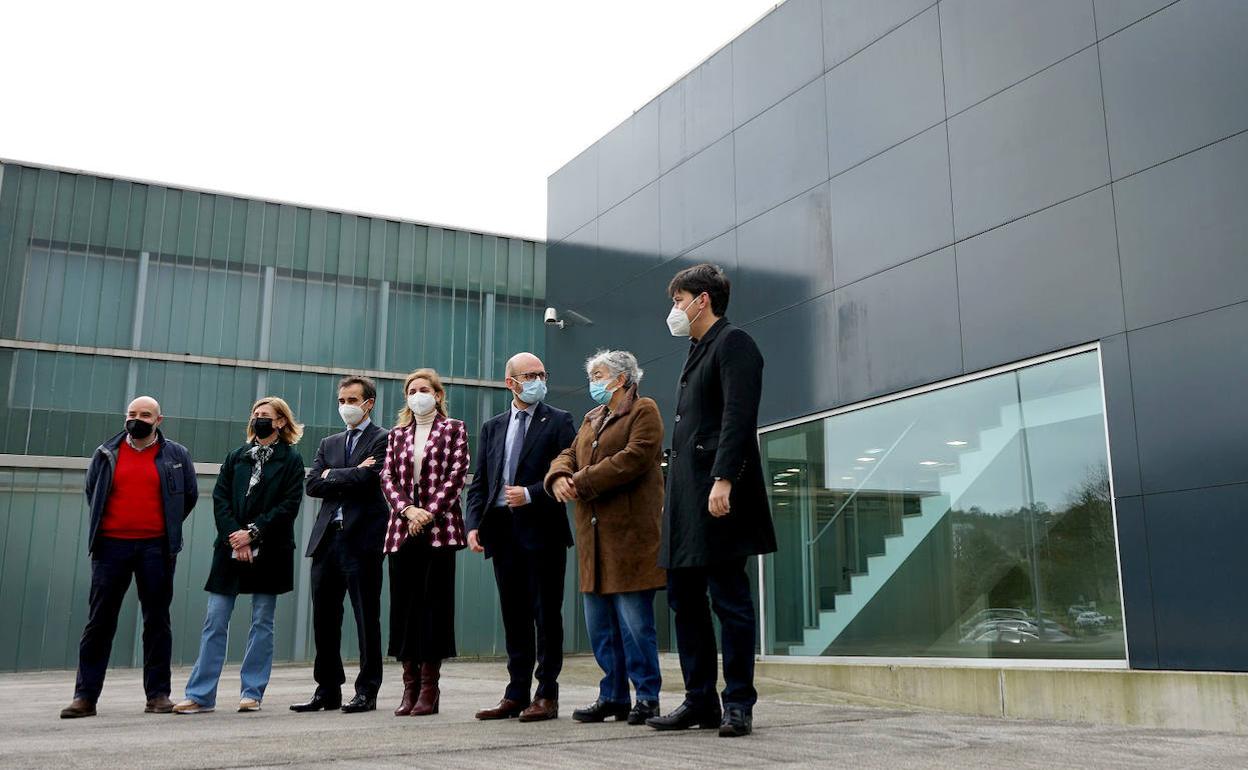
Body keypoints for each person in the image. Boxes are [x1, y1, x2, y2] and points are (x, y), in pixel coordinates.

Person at [645, 263, 777, 738]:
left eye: (677, 301)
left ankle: (737, 702)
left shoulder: (733, 343)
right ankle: (699, 699)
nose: (673, 310)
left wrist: (724, 479)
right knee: (683, 599)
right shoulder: (696, 350)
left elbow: (738, 418)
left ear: (703, 300)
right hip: (684, 498)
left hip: (718, 492)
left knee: (729, 598)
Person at [546, 350, 666, 726]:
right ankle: (612, 695)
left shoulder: (644, 410)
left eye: (599, 374)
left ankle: (646, 697)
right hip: (593, 542)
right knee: (601, 628)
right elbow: (567, 454)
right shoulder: (592, 417)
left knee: (635, 627)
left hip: (629, 539)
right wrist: (560, 476)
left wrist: (579, 482)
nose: (594, 382)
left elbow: (633, 458)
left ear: (622, 378)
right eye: (592, 375)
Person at [60, 397, 198, 719]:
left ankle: (158, 695)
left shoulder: (177, 456)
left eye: (145, 415)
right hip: (111, 548)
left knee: (157, 621)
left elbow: (187, 497)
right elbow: (92, 492)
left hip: (157, 549)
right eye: (132, 414)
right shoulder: (105, 453)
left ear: (159, 420)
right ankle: (85, 697)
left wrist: (162, 529)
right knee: (99, 622)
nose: (137, 419)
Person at [173, 397, 305, 714]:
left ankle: (252, 691)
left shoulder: (291, 461)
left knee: (262, 620)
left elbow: (288, 506)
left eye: (266, 415)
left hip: (271, 550)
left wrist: (254, 533)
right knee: (215, 620)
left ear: (281, 422)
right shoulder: (236, 457)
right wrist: (237, 537)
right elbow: (220, 498)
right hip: (230, 549)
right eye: (255, 414)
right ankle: (201, 695)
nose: (259, 419)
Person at [465, 352, 576, 722]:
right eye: (530, 375)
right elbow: (480, 480)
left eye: (542, 374)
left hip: (542, 529)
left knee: (546, 614)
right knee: (514, 615)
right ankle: (516, 692)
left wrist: (530, 493)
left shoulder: (559, 420)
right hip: (501, 530)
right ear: (510, 382)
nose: (538, 381)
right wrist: (473, 524)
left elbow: (568, 469)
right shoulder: (492, 426)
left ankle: (547, 694)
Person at [292, 376, 389, 714]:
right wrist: (346, 473)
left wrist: (335, 475)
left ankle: (367, 690)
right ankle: (327, 689)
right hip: (327, 541)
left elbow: (369, 479)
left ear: (369, 403)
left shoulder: (384, 439)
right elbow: (312, 485)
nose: (346, 405)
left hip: (362, 541)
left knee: (366, 617)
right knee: (324, 618)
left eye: (352, 399)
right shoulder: (328, 442)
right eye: (342, 399)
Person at [380, 368, 470, 717]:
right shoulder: (396, 435)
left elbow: (457, 474)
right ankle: (409, 685)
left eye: (424, 389)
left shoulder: (454, 429)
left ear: (438, 395)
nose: (417, 395)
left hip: (439, 530)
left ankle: (430, 688)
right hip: (402, 530)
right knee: (404, 609)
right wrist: (407, 510)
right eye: (411, 390)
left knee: (433, 608)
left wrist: (427, 513)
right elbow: (386, 476)